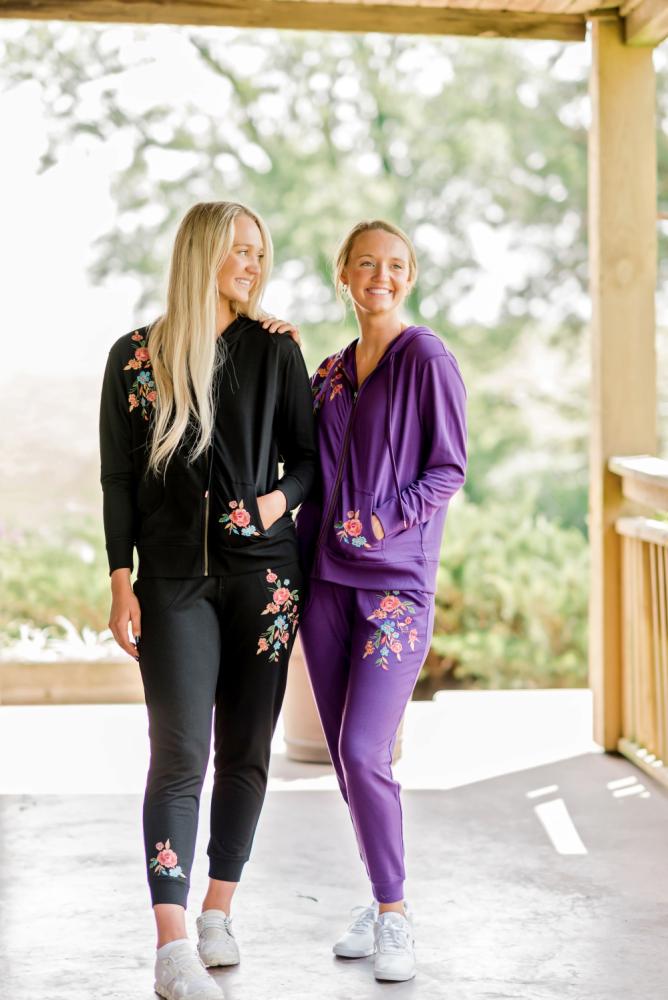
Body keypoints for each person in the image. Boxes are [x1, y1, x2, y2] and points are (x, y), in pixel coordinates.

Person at [99, 201, 315, 1000]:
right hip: (172, 581)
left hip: (266, 577)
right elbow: (118, 477)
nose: (253, 266)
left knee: (248, 751)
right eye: (239, 252)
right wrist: (120, 577)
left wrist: (274, 505)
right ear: (200, 255)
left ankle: (220, 908)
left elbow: (308, 459)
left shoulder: (276, 350)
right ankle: (172, 942)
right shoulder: (134, 358)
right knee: (181, 753)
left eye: (261, 253)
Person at [296, 220, 467, 983]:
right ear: (343, 274)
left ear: (411, 275)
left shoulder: (426, 357)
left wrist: (383, 518)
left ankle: (395, 916)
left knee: (367, 750)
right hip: (324, 585)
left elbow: (448, 469)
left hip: (395, 585)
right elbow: (295, 450)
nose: (381, 275)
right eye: (366, 263)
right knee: (344, 756)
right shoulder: (329, 373)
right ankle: (380, 894)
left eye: (395, 265)